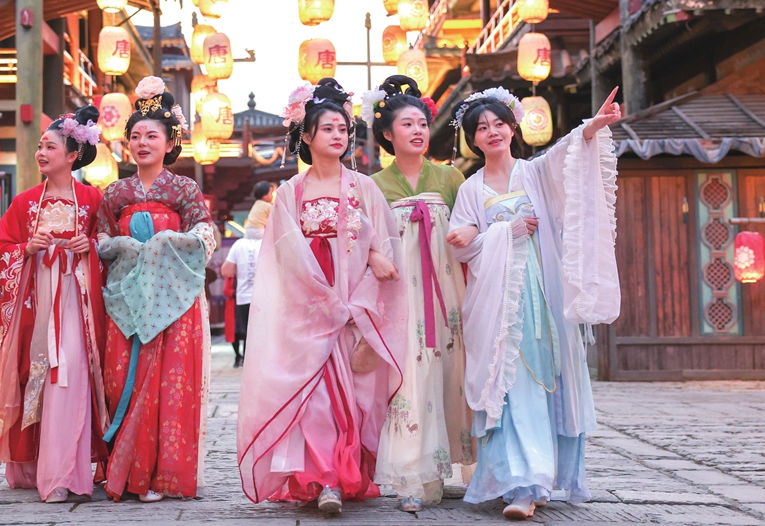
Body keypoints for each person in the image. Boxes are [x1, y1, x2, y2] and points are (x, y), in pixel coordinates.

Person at [446, 86, 622, 520]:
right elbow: (462, 245)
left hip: (539, 297)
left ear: (513, 127)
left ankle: (536, 481)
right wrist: (503, 231)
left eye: (499, 124)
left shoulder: (534, 172)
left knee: (542, 385)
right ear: (473, 139)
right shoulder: (471, 189)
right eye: (482, 128)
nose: (492, 132)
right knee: (508, 390)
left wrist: (591, 128)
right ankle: (520, 484)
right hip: (495, 306)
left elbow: (567, 156)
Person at [237, 78, 407, 515]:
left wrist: (360, 296)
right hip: (309, 305)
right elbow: (285, 256)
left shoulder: (364, 187)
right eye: (327, 128)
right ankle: (325, 479)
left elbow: (384, 248)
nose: (337, 135)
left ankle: (344, 473)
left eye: (342, 128)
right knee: (314, 397)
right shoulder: (291, 193)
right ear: (306, 136)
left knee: (352, 396)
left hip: (354, 305)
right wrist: (319, 301)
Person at [0, 105, 109, 503]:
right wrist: (24, 250)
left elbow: (110, 243)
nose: (41, 152)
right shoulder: (24, 203)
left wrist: (93, 247)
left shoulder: (91, 200)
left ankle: (65, 472)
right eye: (39, 146)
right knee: (38, 375)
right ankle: (36, 465)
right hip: (34, 302)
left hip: (76, 301)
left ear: (72, 155)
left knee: (69, 376)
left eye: (50, 146)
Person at [96, 76, 217, 503]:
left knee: (171, 383)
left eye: (152, 135)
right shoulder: (115, 192)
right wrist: (119, 245)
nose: (141, 142)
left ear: (170, 143)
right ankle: (128, 470)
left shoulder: (183, 189)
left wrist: (171, 241)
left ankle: (162, 473)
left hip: (173, 300)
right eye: (134, 136)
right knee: (119, 379)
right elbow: (100, 241)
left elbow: (205, 233)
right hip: (126, 298)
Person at [363, 76, 474, 513]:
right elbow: (365, 239)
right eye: (407, 124)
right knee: (408, 375)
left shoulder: (450, 177)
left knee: (452, 370)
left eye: (423, 124)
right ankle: (413, 472)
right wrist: (374, 255)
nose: (418, 131)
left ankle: (453, 463)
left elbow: (473, 225)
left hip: (449, 291)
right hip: (401, 296)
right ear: (388, 134)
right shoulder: (373, 184)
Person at [221, 180, 274, 367]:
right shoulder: (269, 244)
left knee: (247, 332)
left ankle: (249, 363)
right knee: (265, 335)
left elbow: (225, 271)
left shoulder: (239, 245)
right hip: (265, 298)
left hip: (244, 297)